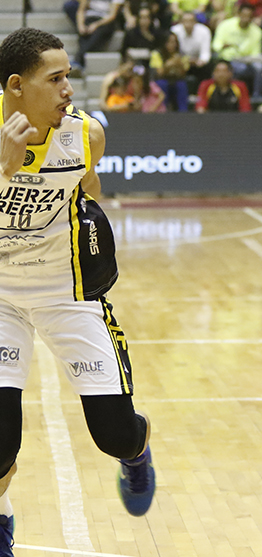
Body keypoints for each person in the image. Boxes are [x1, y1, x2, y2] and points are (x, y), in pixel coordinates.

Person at [0, 28, 157, 555]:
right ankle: (1, 518)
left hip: (66, 291)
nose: (69, 88)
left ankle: (136, 452)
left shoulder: (87, 135)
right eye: (56, 79)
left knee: (114, 435)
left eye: (69, 76)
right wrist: (4, 169)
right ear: (17, 86)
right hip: (1, 296)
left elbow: (90, 195)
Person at [211, 4, 262, 93]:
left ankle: (257, 94)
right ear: (238, 14)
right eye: (244, 15)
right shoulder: (225, 25)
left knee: (259, 67)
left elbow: (256, 53)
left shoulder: (257, 31)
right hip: (228, 58)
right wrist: (224, 46)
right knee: (240, 68)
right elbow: (216, 46)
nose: (246, 19)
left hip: (247, 60)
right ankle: (235, 93)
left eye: (249, 16)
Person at [66, 0, 125, 70]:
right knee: (85, 32)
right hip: (90, 17)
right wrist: (80, 25)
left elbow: (112, 15)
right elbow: (81, 10)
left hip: (105, 20)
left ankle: (79, 58)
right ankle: (79, 61)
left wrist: (96, 25)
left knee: (102, 31)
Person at [151, 32, 190, 111]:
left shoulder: (182, 55)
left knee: (182, 85)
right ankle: (162, 110)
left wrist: (179, 65)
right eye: (169, 42)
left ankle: (183, 112)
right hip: (162, 79)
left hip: (177, 79)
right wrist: (168, 65)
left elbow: (184, 72)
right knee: (162, 84)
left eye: (174, 42)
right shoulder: (157, 54)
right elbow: (159, 73)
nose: (172, 45)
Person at [171, 11, 212, 85]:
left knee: (207, 68)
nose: (188, 24)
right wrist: (183, 61)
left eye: (190, 21)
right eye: (185, 21)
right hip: (180, 62)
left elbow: (205, 52)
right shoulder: (174, 31)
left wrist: (201, 61)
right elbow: (172, 51)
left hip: (197, 63)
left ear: (195, 22)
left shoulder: (204, 31)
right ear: (181, 22)